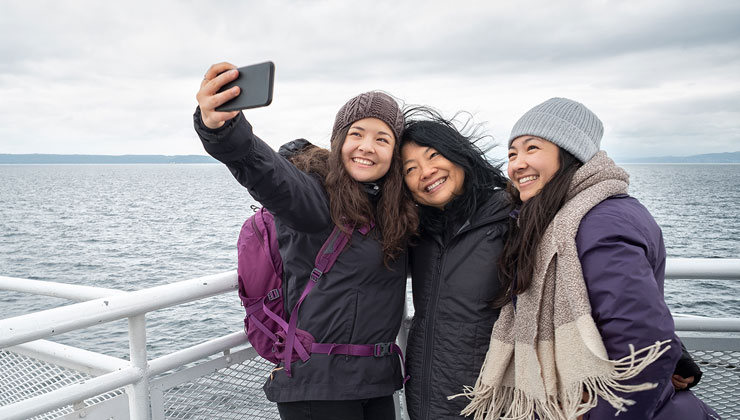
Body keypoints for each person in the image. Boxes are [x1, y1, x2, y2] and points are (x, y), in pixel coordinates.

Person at [459, 98, 720, 419]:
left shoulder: (598, 221)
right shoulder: (555, 218)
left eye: (532, 149)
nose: (517, 163)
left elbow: (640, 339)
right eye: (512, 153)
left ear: (571, 154)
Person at [194, 62, 418, 420]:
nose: (367, 147)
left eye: (382, 139)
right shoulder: (316, 199)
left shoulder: (393, 212)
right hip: (318, 388)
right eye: (357, 134)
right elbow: (269, 173)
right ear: (339, 140)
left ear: (395, 152)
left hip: (374, 382)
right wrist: (223, 128)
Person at [399, 108, 510, 419]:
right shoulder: (420, 233)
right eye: (410, 169)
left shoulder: (510, 217)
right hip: (424, 398)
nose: (426, 172)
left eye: (434, 155)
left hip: (491, 401)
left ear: (458, 154)